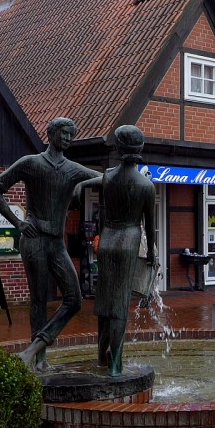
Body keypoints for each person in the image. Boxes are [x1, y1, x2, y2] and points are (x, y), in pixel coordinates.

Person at [0, 117, 101, 371]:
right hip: (34, 240)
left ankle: (32, 350)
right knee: (39, 300)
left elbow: (104, 179)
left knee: (74, 299)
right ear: (51, 134)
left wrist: (124, 174)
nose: (69, 138)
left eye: (72, 134)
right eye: (65, 133)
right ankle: (40, 360)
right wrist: (17, 222)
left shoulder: (73, 169)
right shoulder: (31, 163)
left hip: (57, 243)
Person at [80, 125, 157, 376]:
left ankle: (101, 357)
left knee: (104, 300)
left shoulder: (107, 177)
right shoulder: (146, 185)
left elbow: (98, 206)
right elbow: (150, 226)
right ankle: (116, 366)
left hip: (108, 240)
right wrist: (153, 256)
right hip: (128, 241)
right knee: (120, 304)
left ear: (119, 147)